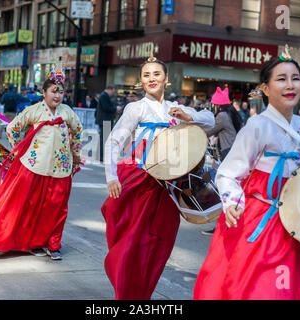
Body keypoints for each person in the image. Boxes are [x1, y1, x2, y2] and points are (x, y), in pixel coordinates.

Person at [193, 48, 300, 300]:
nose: (290, 85)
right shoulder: (257, 126)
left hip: (295, 222)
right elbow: (228, 173)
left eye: (295, 78)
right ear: (265, 88)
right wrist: (231, 202)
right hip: (260, 219)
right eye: (281, 79)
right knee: (258, 288)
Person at [101, 53, 215, 300]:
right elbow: (113, 141)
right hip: (138, 178)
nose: (151, 78)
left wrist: (188, 117)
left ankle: (142, 294)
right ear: (141, 82)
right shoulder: (136, 108)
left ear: (166, 80)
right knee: (131, 243)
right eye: (146, 75)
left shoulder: (176, 109)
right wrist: (112, 177)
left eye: (156, 74)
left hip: (168, 185)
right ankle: (126, 293)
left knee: (158, 244)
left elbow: (210, 119)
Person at [0, 68, 83, 260]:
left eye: (61, 91)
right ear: (44, 93)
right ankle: (28, 242)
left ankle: (53, 244)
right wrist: (20, 151)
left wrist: (75, 153)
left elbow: (78, 131)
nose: (58, 95)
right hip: (34, 167)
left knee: (56, 209)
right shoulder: (34, 110)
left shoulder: (67, 112)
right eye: (53, 91)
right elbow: (12, 128)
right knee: (29, 207)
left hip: (60, 168)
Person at [200, 87, 242, 236]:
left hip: (226, 151)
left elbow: (211, 130)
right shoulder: (230, 113)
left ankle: (221, 224)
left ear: (217, 105)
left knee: (222, 187)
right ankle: (225, 222)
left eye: (213, 105)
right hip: (229, 150)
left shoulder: (222, 115)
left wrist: (195, 131)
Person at [96, 84, 119, 162]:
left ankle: (102, 156)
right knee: (104, 139)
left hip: (104, 120)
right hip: (105, 120)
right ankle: (102, 156)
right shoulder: (104, 96)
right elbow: (106, 108)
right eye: (113, 91)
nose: (113, 93)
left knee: (104, 139)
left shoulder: (104, 96)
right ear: (110, 89)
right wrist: (115, 108)